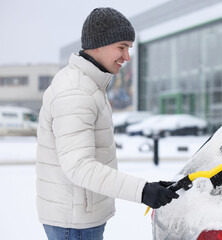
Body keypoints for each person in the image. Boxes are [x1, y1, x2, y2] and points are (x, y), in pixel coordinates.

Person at [36, 7, 179, 240]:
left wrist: (149, 187)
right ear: (98, 44)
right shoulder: (76, 92)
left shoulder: (89, 85)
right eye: (121, 47)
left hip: (78, 217)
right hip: (74, 224)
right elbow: (79, 166)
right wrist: (143, 190)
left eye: (129, 48)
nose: (127, 57)